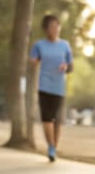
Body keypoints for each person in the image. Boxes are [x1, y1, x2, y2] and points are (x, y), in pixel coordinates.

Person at [29, 14, 73, 161]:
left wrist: (65, 66)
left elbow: (70, 66)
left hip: (59, 87)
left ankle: (54, 146)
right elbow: (33, 60)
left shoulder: (65, 45)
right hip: (44, 85)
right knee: (47, 118)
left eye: (57, 26)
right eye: (52, 26)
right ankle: (51, 147)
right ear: (46, 29)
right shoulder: (39, 45)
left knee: (57, 120)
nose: (55, 29)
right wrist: (33, 61)